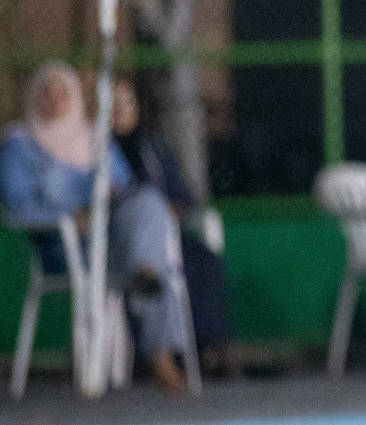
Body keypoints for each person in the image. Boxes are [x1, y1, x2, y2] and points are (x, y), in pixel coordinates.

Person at [0, 62, 191, 393]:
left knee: (146, 201)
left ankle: (160, 347)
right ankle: (153, 325)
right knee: (150, 260)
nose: (54, 100)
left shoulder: (94, 138)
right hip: (65, 249)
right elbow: (16, 203)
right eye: (46, 92)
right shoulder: (19, 145)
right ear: (33, 97)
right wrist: (70, 215)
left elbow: (121, 184)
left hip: (110, 241)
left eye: (61, 92)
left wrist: (100, 204)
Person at [110, 77, 233, 375]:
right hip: (116, 241)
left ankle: (206, 350)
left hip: (165, 237)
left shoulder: (151, 148)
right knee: (158, 263)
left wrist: (169, 212)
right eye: (111, 103)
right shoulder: (94, 147)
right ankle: (161, 356)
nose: (120, 110)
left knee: (201, 259)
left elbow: (181, 197)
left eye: (127, 103)